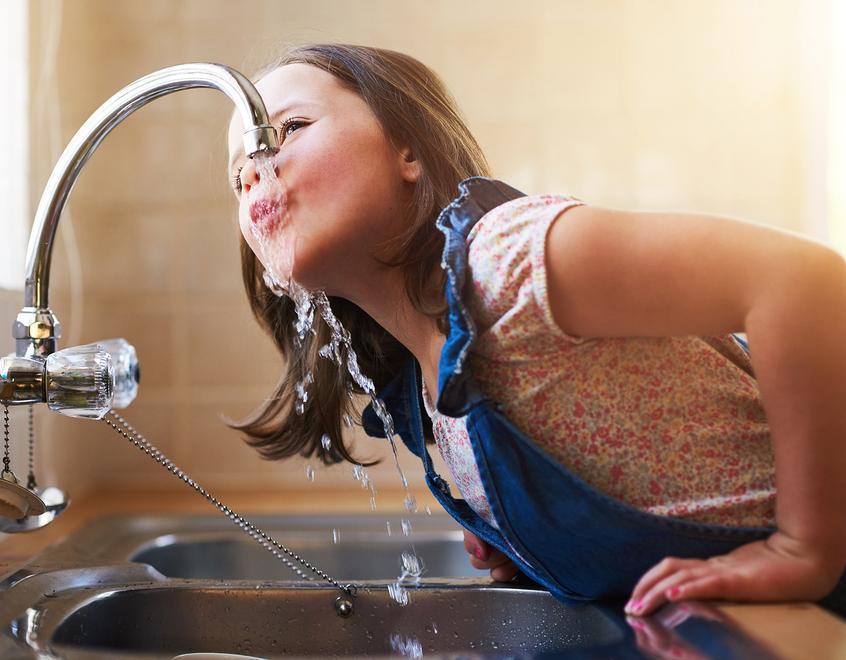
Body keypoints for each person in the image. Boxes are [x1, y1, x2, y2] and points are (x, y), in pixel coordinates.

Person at [226, 43, 846, 617]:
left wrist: (804, 549)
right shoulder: (425, 390)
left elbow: (803, 281)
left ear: (407, 152)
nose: (255, 169)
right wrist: (525, 537)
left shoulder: (507, 259)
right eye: (237, 176)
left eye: (289, 130)